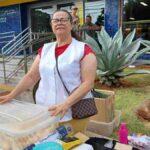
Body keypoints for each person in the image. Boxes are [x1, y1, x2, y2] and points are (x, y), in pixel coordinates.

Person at [0, 10, 97, 133]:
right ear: (51, 25)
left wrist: (65, 104)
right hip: (45, 109)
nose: (59, 22)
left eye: (63, 20)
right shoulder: (45, 49)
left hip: (72, 110)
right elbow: (31, 77)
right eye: (55, 20)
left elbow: (88, 83)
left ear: (71, 24)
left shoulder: (83, 49)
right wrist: (11, 95)